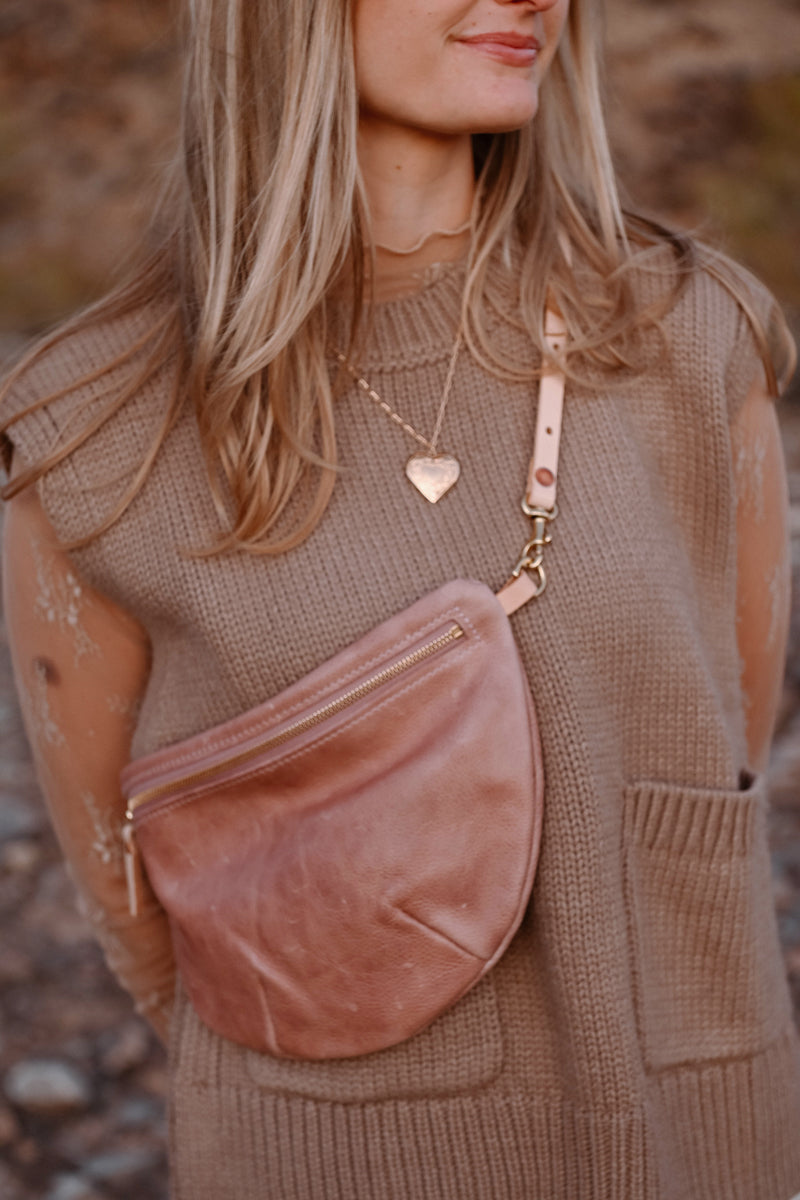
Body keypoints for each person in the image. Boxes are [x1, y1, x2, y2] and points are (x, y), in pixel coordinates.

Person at [1, 0, 799, 1196]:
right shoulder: (93, 435)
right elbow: (137, 907)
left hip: (702, 1137)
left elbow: (724, 745)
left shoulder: (689, 339)